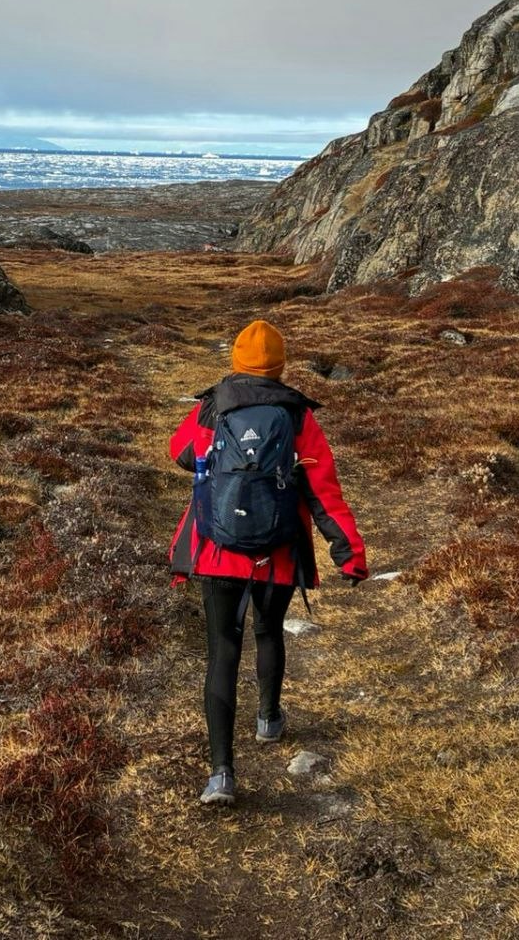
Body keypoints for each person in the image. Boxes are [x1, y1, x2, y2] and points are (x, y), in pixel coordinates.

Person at [168, 319, 367, 805]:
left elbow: (179, 453)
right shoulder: (298, 416)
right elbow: (324, 493)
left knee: (222, 652)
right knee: (268, 631)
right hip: (277, 553)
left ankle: (221, 774)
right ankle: (268, 718)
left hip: (217, 550)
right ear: (280, 365)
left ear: (236, 361)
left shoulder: (212, 405)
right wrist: (350, 554)